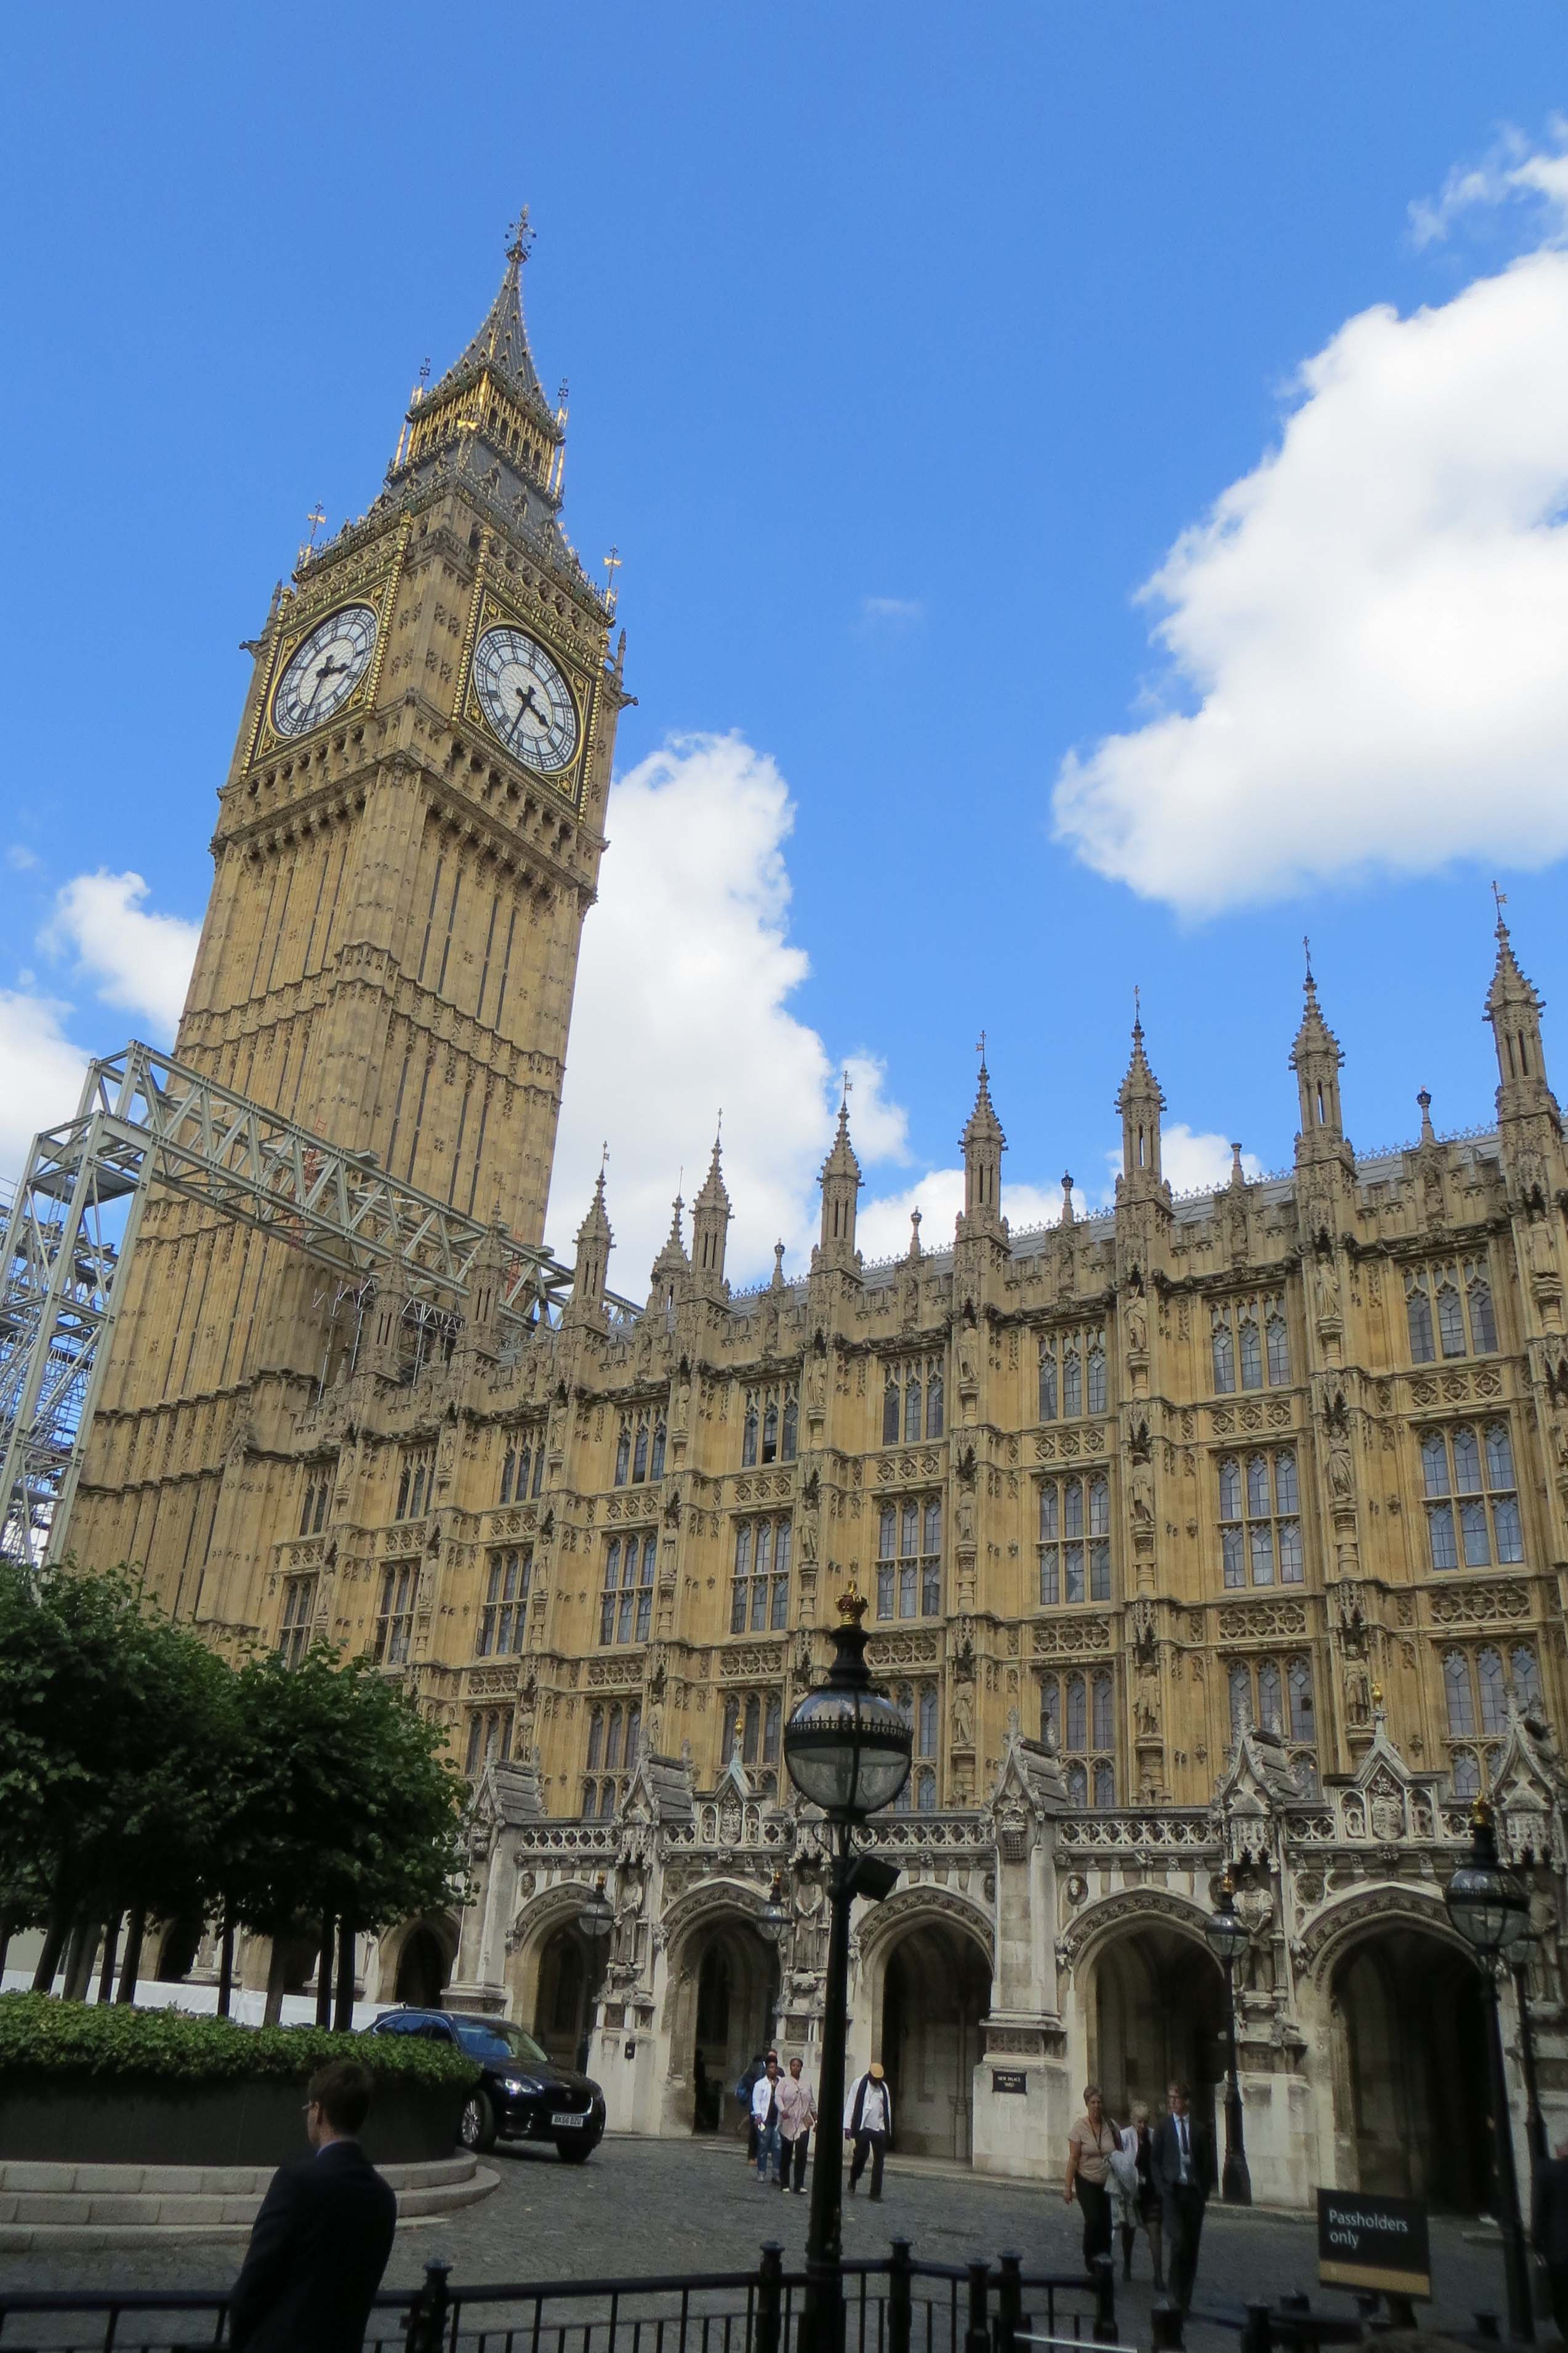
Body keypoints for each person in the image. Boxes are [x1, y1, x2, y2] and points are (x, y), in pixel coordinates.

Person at [228, 2060, 397, 2353]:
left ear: (318, 2112)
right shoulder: (383, 2198)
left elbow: (254, 2283)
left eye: (308, 2108)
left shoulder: (296, 2183)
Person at [1151, 2080, 1216, 2314]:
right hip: (1172, 2193)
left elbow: (1206, 2163)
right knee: (1178, 2241)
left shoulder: (1198, 2130)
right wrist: (1161, 2187)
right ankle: (1174, 2294)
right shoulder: (1163, 2127)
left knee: (1191, 2247)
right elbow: (1155, 2160)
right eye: (1170, 2098)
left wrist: (1203, 2192)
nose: (1173, 2102)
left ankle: (1184, 2299)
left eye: (1176, 2098)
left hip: (1193, 2194)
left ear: (1187, 2101)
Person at [1063, 2083, 1119, 2272]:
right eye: (1093, 2102)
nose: (1097, 2106)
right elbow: (1073, 2159)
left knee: (1107, 2224)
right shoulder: (1079, 2128)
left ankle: (1105, 2261)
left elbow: (1119, 2153)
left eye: (1099, 2102)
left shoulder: (1111, 2126)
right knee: (1094, 2220)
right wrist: (1067, 2187)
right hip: (1086, 2180)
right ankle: (1090, 2258)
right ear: (1087, 2104)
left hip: (1107, 2182)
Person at [1116, 2102, 1163, 2289]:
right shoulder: (1125, 2136)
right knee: (1129, 2231)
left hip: (1150, 2192)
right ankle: (1127, 2264)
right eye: (1139, 2122)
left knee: (1154, 2230)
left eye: (1145, 2122)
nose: (1142, 2126)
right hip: (1132, 2193)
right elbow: (1120, 2162)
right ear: (1133, 2121)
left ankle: (1158, 2274)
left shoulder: (1153, 2137)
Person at [1532, 2133, 1568, 2338]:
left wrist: (1537, 2245)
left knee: (1562, 2300)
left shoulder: (1547, 2171)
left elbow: (1538, 2212)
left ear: (1558, 2150)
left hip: (1559, 2250)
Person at [845, 2061, 893, 2200]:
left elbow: (887, 2108)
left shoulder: (884, 2088)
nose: (877, 2081)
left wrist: (887, 2130)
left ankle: (875, 2193)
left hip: (879, 2128)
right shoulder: (859, 2084)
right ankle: (854, 2178)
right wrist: (847, 2126)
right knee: (861, 2156)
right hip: (863, 2127)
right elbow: (851, 2104)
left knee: (879, 2161)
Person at [778, 2055, 818, 2195]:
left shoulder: (807, 2084)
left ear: (801, 2068)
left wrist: (816, 2120)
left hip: (802, 2123)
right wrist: (782, 2110)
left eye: (798, 2066)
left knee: (802, 2154)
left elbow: (812, 2103)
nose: (796, 2068)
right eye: (793, 2065)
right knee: (786, 2154)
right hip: (788, 2121)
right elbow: (778, 2097)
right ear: (790, 2067)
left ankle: (799, 2184)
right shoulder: (784, 2082)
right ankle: (784, 2183)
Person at [752, 2051, 784, 2184]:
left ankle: (776, 2172)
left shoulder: (782, 2083)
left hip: (777, 2120)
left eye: (775, 2068)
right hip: (764, 2119)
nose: (774, 2070)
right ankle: (761, 2172)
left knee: (778, 2146)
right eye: (771, 2068)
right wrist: (758, 2115)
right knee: (763, 2145)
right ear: (766, 2069)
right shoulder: (760, 2084)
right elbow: (756, 2100)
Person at [736, 2051, 766, 2161]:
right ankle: (755, 2155)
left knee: (755, 2128)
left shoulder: (751, 2069)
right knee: (758, 2130)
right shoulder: (759, 2070)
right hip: (758, 2106)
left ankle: (753, 2155)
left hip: (754, 2105)